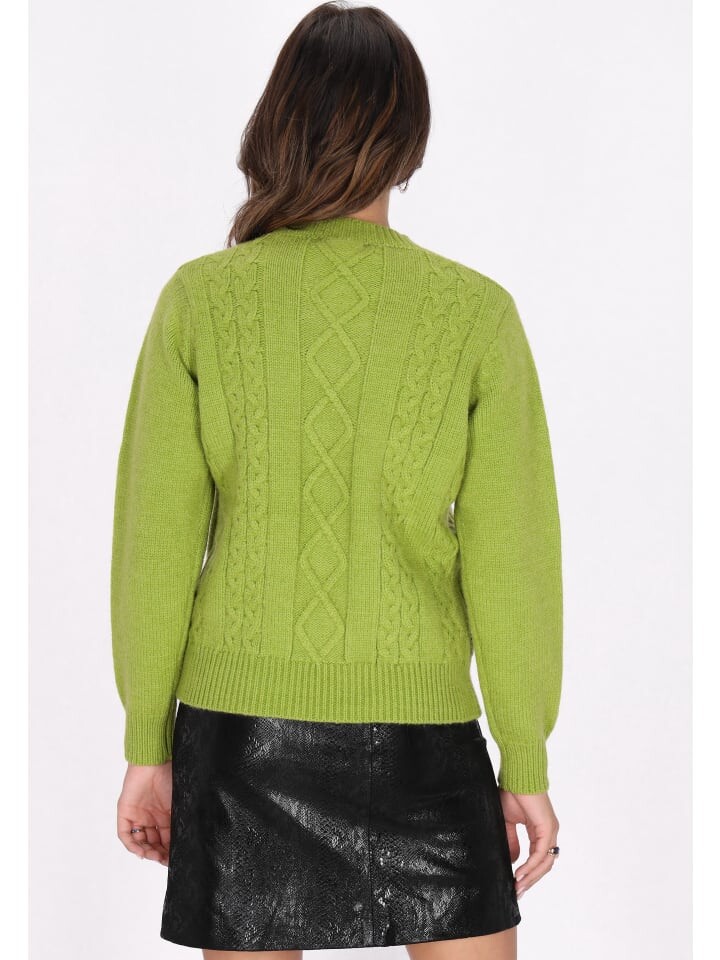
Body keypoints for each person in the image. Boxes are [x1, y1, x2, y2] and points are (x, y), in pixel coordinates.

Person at [110, 3, 563, 959]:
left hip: (240, 735)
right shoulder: (476, 313)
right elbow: (512, 559)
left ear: (277, 124)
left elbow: (153, 547)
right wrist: (525, 758)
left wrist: (147, 748)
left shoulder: (202, 300)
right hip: (422, 736)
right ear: (410, 140)